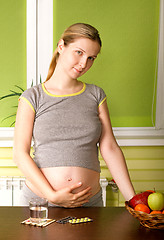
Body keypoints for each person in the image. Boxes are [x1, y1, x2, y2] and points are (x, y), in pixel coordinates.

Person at [13, 23, 135, 207]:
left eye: (91, 58)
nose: (84, 63)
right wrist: (52, 195)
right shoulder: (32, 97)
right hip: (41, 203)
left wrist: (134, 202)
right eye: (79, 52)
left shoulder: (96, 94)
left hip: (88, 202)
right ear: (61, 46)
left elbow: (110, 148)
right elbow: (19, 154)